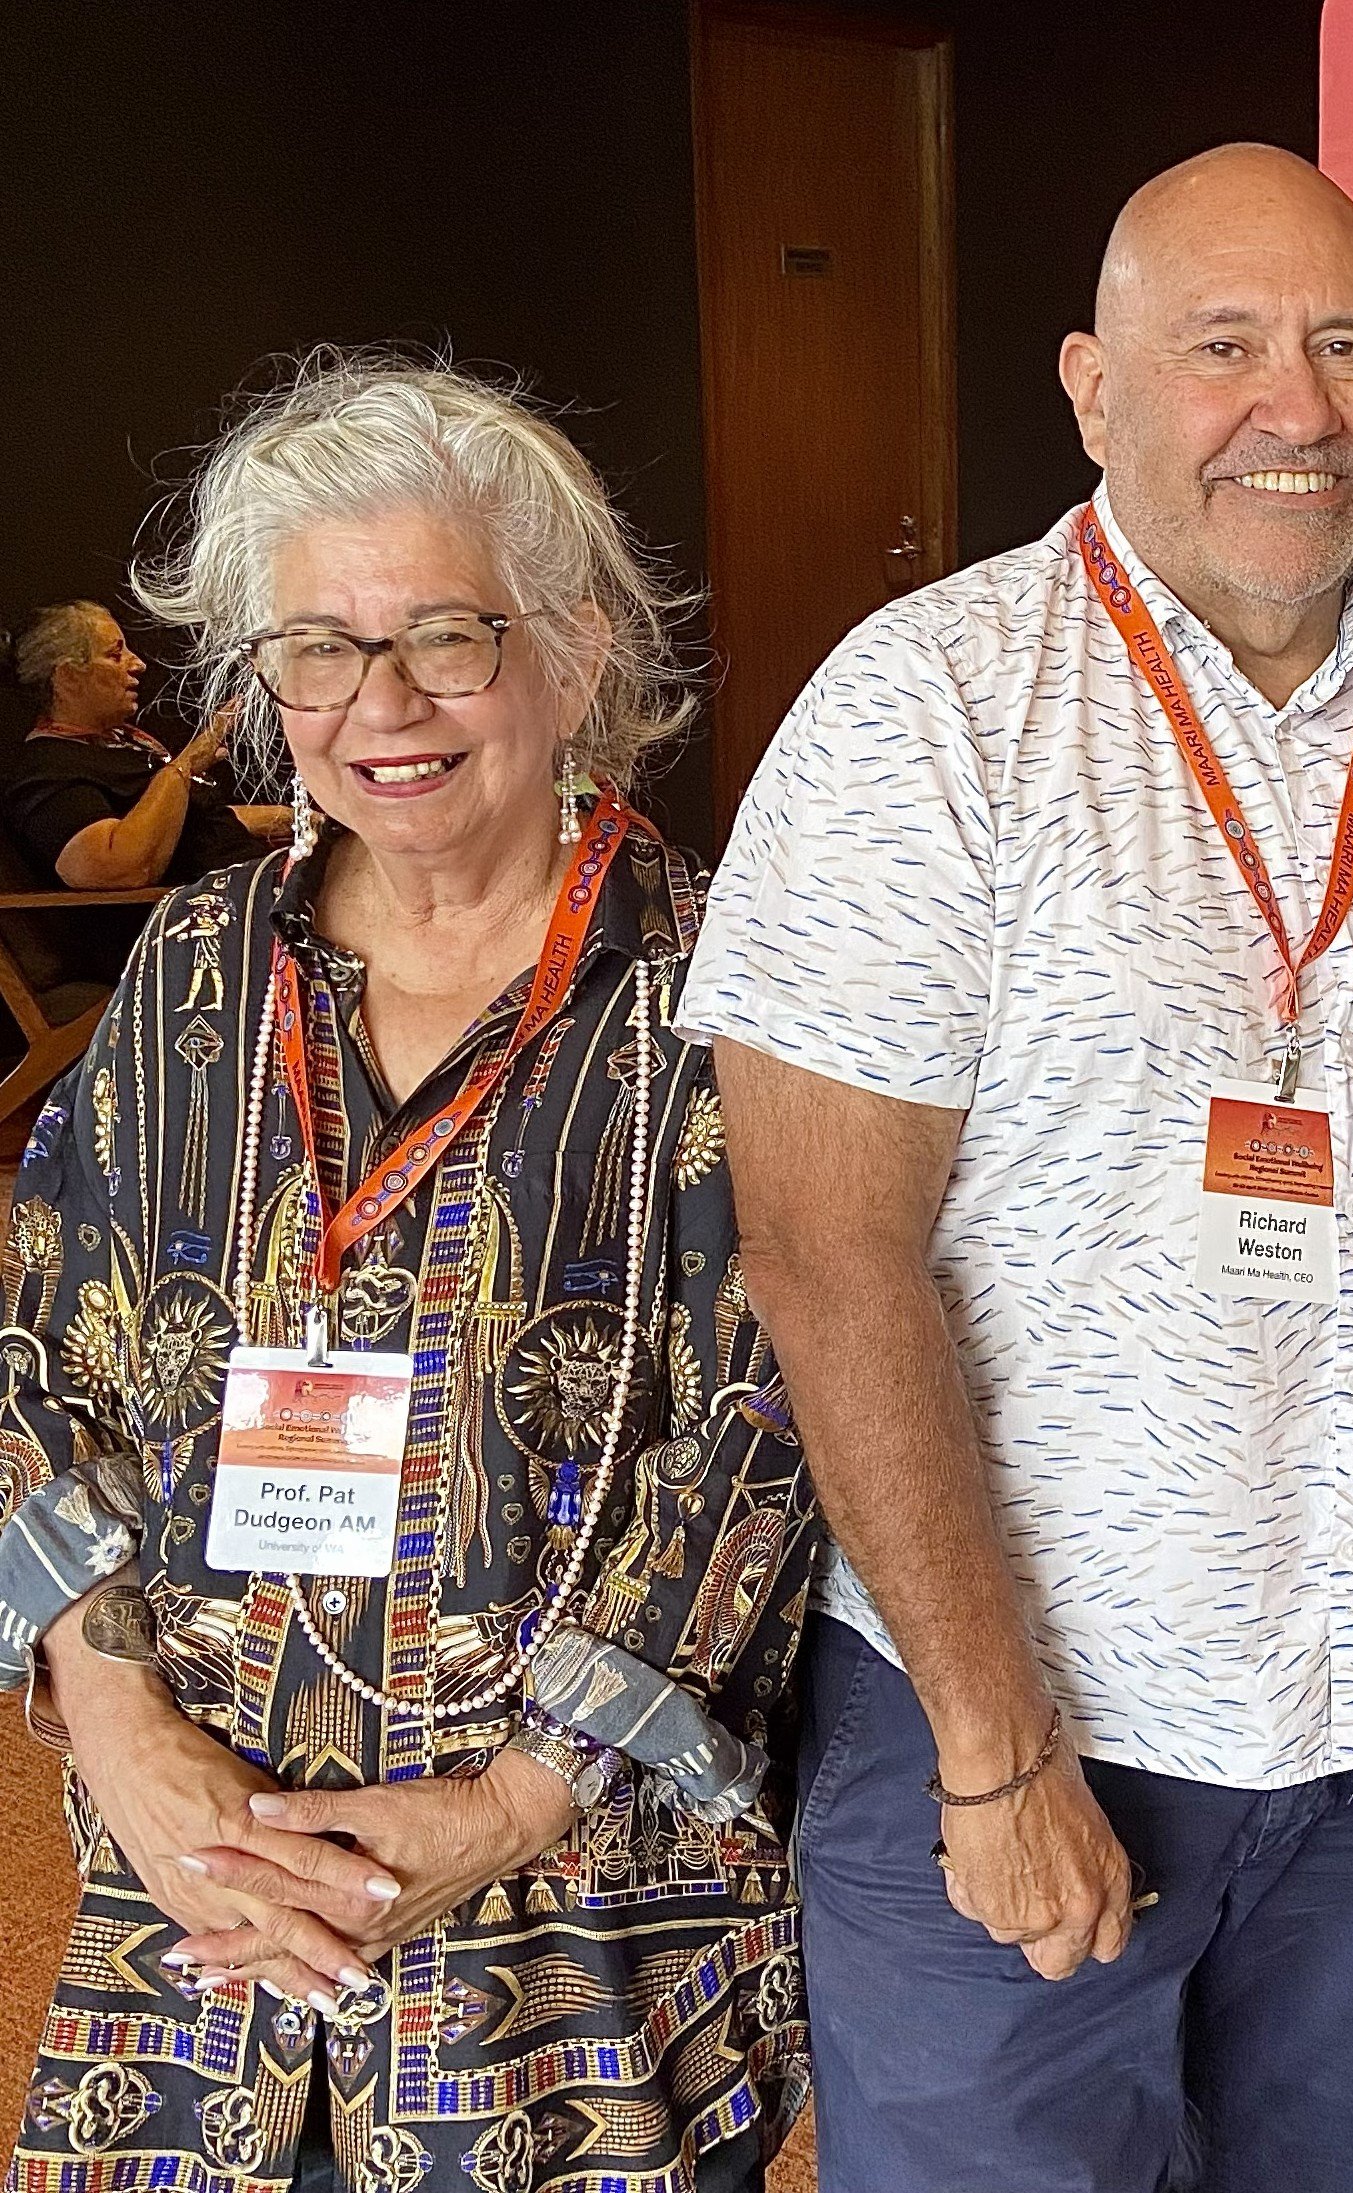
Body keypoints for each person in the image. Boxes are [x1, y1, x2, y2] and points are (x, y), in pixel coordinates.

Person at [678, 143, 1353, 2190]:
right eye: (1221, 346)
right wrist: (992, 1747)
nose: (1294, 407)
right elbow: (826, 1254)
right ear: (1090, 387)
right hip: (1020, 1728)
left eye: (1346, 347)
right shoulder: (924, 708)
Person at [0, 355, 818, 2192]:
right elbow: (33, 1353)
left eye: (447, 636)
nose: (382, 705)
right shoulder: (196, 967)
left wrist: (507, 1805)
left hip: (565, 1940)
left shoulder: (729, 993)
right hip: (197, 1907)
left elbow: (775, 1432)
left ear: (577, 654)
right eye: (318, 648)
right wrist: (122, 1733)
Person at [2, 597, 283, 888]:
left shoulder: (124, 743)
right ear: (68, 677)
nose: (138, 664)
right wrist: (185, 766)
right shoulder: (45, 769)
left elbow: (198, 824)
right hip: (211, 908)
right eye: (115, 655)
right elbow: (117, 868)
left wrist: (293, 819)